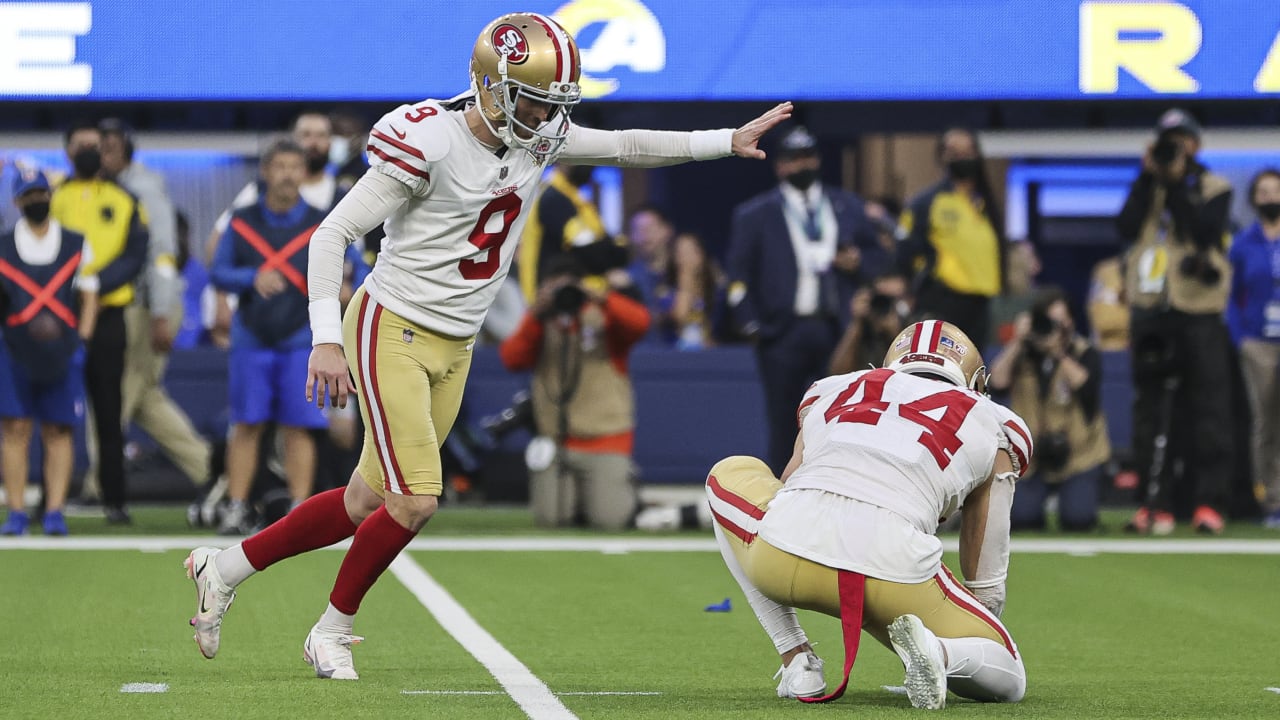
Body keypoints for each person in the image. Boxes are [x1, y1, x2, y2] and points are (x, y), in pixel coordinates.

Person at [182, 11, 792, 680]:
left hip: (457, 342)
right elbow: (332, 236)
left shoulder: (538, 136)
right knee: (415, 500)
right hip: (391, 327)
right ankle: (332, 629)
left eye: (557, 102)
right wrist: (325, 340)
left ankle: (225, 565)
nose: (549, 117)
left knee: (366, 500)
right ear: (493, 87)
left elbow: (627, 145)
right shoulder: (431, 140)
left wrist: (725, 140)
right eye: (538, 98)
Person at [707, 320, 1030, 709]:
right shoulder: (997, 423)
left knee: (727, 473)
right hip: (894, 572)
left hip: (786, 550)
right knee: (1009, 675)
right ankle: (939, 652)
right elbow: (986, 577)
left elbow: (789, 482)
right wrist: (976, 626)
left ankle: (797, 660)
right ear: (976, 381)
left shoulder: (831, 389)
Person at [726, 125, 884, 473]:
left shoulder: (846, 206)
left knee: (842, 418)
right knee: (784, 422)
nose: (802, 165)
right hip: (782, 332)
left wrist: (859, 263)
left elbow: (879, 260)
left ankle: (840, 489)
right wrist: (753, 325)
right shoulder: (755, 214)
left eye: (808, 157)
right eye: (794, 159)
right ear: (779, 165)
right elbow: (737, 277)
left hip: (837, 330)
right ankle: (784, 503)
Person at [1116, 108, 1234, 535]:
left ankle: (1209, 502)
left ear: (1195, 146)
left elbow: (1200, 234)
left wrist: (1179, 182)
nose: (1174, 149)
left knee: (1208, 408)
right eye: (1168, 142)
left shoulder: (1214, 187)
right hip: (1151, 307)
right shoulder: (1147, 187)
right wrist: (1149, 179)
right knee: (1149, 408)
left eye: (1182, 141)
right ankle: (1154, 503)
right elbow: (1125, 227)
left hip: (1198, 311)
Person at [209, 140, 329, 535]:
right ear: (265, 171)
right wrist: (251, 278)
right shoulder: (242, 221)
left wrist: (347, 288)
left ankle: (299, 513)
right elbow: (218, 271)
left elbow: (355, 269)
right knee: (246, 425)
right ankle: (237, 507)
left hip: (299, 338)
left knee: (299, 425)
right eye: (280, 166)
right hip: (251, 338)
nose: (288, 174)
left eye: (295, 166)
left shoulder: (320, 221)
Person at [97, 119, 213, 494]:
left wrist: (161, 311)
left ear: (128, 149)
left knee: (117, 393)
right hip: (130, 306)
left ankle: (98, 483)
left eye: (111, 147)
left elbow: (163, 253)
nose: (103, 154)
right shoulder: (105, 188)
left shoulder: (143, 188)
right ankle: (209, 468)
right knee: (145, 398)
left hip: (146, 306)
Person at [498, 255, 649, 529]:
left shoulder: (604, 319)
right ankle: (583, 501)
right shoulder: (540, 324)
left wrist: (601, 297)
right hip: (555, 442)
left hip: (605, 438)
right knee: (551, 519)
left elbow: (640, 323)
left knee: (611, 520)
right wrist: (535, 314)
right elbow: (512, 358)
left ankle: (621, 490)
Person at [50, 121, 149, 525]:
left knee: (110, 411)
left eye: (95, 145)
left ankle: (115, 499)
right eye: (81, 145)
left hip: (110, 317)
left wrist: (94, 284)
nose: (89, 151)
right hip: (57, 318)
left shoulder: (125, 199)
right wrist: (68, 290)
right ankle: (51, 500)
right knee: (53, 410)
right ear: (68, 151)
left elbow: (134, 253)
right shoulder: (54, 197)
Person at [0, 169, 98, 536]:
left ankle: (55, 511)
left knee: (59, 429)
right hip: (13, 348)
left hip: (62, 349)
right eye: (29, 195)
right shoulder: (4, 245)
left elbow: (89, 292)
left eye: (42, 192)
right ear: (16, 202)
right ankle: (16, 512)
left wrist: (81, 341)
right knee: (14, 428)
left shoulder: (75, 242)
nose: (37, 200)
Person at [988, 287, 1107, 531]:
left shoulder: (1084, 352)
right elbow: (996, 383)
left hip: (1078, 456)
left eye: (1059, 322)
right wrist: (1017, 341)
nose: (1053, 328)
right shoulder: (1023, 353)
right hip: (1033, 458)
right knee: (1022, 519)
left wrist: (1058, 352)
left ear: (1070, 322)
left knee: (1078, 520)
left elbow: (1086, 387)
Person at [897, 128, 1007, 348]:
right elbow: (905, 250)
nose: (962, 158)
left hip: (982, 303)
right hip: (943, 300)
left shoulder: (985, 204)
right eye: (954, 152)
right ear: (942, 156)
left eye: (968, 152)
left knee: (975, 373)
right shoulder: (926, 203)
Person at [1227, 169, 1280, 528]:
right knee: (1265, 422)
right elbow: (1231, 298)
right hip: (1259, 342)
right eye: (1263, 191)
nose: (1269, 197)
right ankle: (1273, 499)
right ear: (1254, 199)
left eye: (1275, 190)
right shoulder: (1244, 244)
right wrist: (1240, 338)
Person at [827, 272, 910, 376]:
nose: (884, 304)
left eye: (892, 299)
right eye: (880, 298)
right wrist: (857, 323)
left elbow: (914, 377)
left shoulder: (916, 325)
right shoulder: (864, 329)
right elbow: (837, 374)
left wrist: (897, 336)